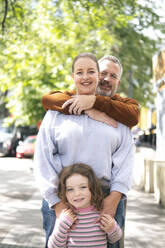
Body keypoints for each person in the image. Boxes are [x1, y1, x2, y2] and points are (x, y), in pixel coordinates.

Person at [34, 53, 135, 248]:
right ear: (73, 77)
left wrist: (114, 200)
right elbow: (43, 158)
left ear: (97, 77)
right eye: (80, 72)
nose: (86, 77)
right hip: (62, 198)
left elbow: (126, 162)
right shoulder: (57, 112)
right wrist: (56, 202)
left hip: (107, 199)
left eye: (91, 72)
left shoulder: (120, 116)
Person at [48, 163, 122, 248]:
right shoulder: (66, 216)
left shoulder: (101, 212)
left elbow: (115, 239)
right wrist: (62, 225)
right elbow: (54, 246)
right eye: (70, 189)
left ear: (92, 187)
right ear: (64, 192)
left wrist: (112, 228)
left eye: (83, 187)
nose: (77, 193)